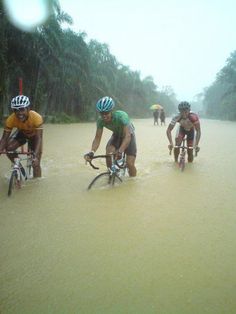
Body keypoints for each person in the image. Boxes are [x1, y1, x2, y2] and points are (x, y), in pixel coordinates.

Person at [84, 96, 137, 177]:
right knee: (109, 153)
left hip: (129, 135)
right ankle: (111, 174)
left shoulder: (122, 116)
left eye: (106, 113)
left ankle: (133, 181)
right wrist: (92, 152)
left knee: (130, 163)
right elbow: (97, 138)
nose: (104, 116)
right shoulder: (100, 121)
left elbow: (128, 136)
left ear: (111, 111)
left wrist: (120, 151)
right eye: (101, 113)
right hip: (116, 135)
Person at [0, 95, 43, 177]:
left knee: (36, 164)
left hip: (35, 137)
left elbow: (39, 138)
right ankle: (19, 167)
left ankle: (36, 184)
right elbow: (4, 139)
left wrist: (36, 157)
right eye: (16, 110)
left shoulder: (37, 118)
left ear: (28, 108)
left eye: (22, 109)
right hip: (22, 133)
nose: (19, 113)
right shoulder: (10, 119)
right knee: (8, 148)